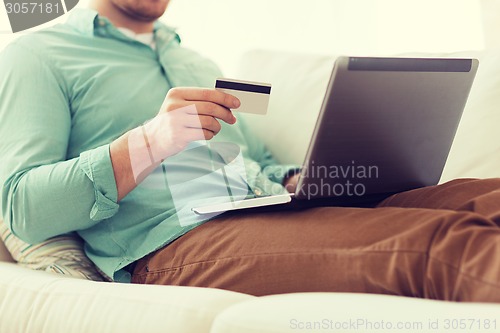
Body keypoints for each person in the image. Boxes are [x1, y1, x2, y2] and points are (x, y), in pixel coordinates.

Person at [0, 0, 498, 302]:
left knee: (487, 197)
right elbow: (21, 207)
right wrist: (150, 141)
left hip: (266, 206)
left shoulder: (195, 61)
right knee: (443, 242)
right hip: (176, 242)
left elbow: (255, 163)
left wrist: (299, 179)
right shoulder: (37, 55)